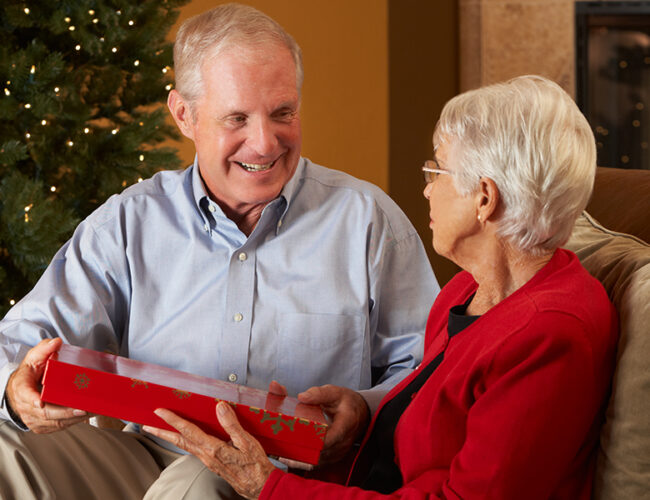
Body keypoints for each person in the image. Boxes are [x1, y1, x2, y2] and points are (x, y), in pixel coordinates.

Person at [0, 4, 438, 499]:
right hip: (145, 457)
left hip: (286, 475)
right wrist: (16, 390)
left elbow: (431, 370)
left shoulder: (367, 222)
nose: (264, 143)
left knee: (198, 484)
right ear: (184, 114)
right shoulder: (128, 222)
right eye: (237, 118)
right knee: (2, 448)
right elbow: (24, 339)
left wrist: (365, 409)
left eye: (283, 113)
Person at [145, 75, 619, 499]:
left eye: (437, 172)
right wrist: (362, 413)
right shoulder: (465, 292)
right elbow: (427, 412)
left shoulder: (550, 333)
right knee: (198, 479)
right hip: (359, 480)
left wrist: (270, 488)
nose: (427, 189)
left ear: (484, 197)